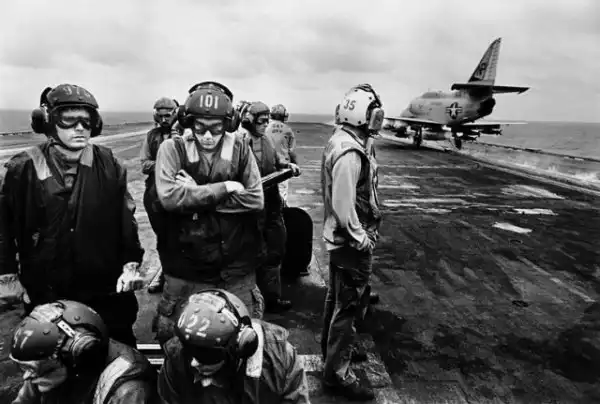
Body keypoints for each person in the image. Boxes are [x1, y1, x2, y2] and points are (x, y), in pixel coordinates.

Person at [0, 84, 145, 347]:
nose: (80, 128)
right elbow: (3, 228)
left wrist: (131, 263)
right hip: (47, 290)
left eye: (86, 121)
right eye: (69, 120)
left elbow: (126, 221)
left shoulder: (109, 164)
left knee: (119, 351)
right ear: (48, 122)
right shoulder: (22, 169)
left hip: (104, 288)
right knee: (52, 356)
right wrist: (7, 276)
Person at [153, 81, 266, 346]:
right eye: (199, 127)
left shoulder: (240, 148)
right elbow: (170, 198)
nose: (207, 136)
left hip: (235, 270)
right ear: (188, 122)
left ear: (228, 124)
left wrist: (196, 193)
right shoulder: (171, 149)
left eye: (216, 129)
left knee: (244, 342)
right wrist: (224, 188)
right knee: (176, 345)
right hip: (185, 271)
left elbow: (255, 199)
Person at [320, 84, 385, 401]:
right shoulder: (350, 154)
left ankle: (331, 354)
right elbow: (344, 207)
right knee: (347, 309)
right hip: (350, 243)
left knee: (336, 301)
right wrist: (362, 240)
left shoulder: (341, 139)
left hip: (339, 240)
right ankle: (337, 374)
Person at [158, 289, 310, 403]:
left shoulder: (279, 358)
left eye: (206, 355)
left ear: (241, 347)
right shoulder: (176, 357)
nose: (194, 362)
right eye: (190, 350)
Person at [9, 299, 158, 403]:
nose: (27, 377)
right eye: (26, 368)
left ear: (80, 357)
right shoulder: (44, 368)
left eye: (43, 370)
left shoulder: (128, 391)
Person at [241, 101, 300, 313]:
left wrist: (287, 166)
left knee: (275, 249)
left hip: (271, 203)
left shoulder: (265, 140)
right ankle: (252, 301)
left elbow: (276, 162)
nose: (266, 125)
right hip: (251, 207)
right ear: (249, 121)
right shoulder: (241, 143)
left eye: (267, 120)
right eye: (261, 121)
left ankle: (272, 298)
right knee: (252, 253)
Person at [140, 97, 179, 294]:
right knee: (163, 237)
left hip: (180, 193)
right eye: (161, 116)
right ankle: (165, 272)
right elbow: (144, 164)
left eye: (168, 116)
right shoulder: (151, 136)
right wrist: (165, 163)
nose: (164, 120)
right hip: (155, 194)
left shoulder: (185, 135)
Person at [265, 104, 298, 206]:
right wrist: (295, 165)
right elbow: (291, 151)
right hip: (283, 168)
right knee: (282, 196)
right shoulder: (288, 130)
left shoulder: (265, 128)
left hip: (267, 167)